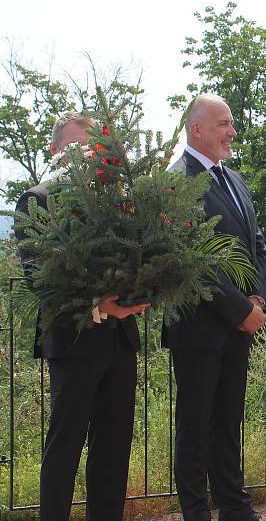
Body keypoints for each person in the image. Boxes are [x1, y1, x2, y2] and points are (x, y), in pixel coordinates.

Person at [15, 112, 149, 521]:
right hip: (72, 342)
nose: (85, 156)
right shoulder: (36, 199)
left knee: (113, 451)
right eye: (75, 147)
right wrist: (98, 302)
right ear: (55, 150)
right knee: (65, 449)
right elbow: (38, 275)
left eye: (91, 148)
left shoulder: (116, 201)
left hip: (120, 340)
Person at [163, 94, 266, 521]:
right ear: (198, 130)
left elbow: (257, 245)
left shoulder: (235, 180)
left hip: (240, 320)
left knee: (228, 419)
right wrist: (238, 308)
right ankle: (195, 512)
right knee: (195, 424)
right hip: (199, 325)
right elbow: (192, 259)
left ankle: (234, 504)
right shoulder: (177, 181)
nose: (233, 131)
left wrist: (258, 298)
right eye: (224, 123)